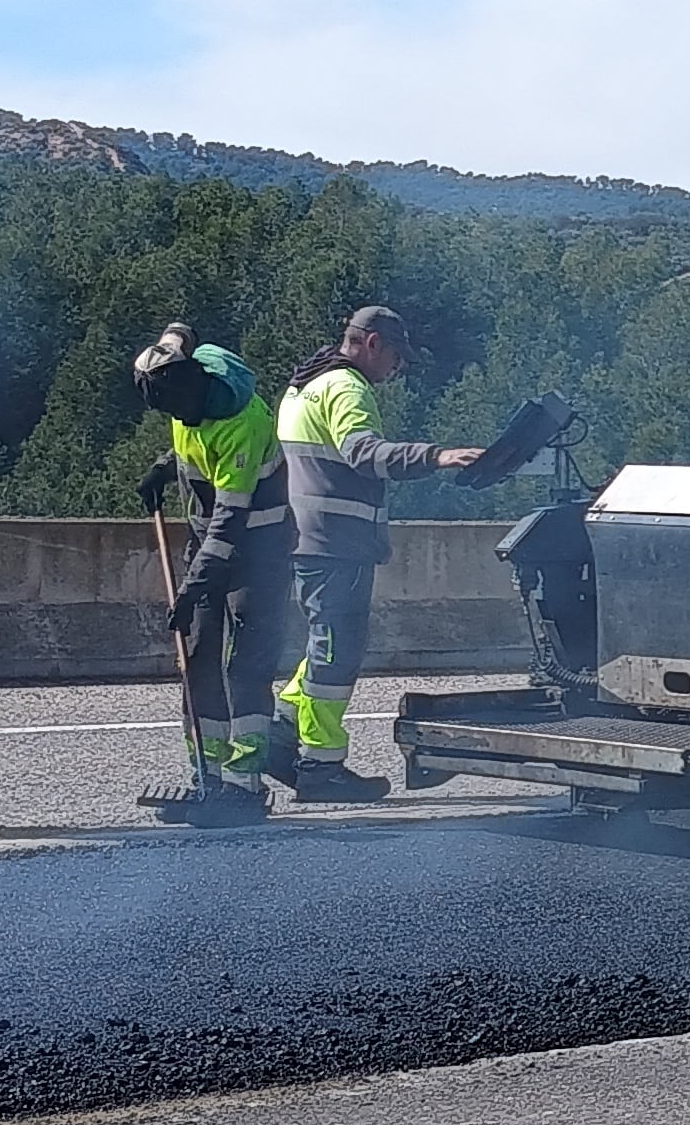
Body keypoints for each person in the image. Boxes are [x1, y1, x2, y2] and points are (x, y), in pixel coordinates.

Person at [269, 304, 487, 801]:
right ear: (371, 344)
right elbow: (365, 454)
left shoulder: (305, 383)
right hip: (336, 543)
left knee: (322, 644)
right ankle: (322, 768)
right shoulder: (347, 389)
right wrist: (436, 456)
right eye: (395, 355)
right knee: (336, 655)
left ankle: (281, 733)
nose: (398, 367)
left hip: (307, 539)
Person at [133, 324, 286, 822]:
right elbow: (178, 331)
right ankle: (208, 774)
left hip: (257, 546)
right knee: (197, 654)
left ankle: (244, 783)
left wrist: (193, 588)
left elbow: (229, 521)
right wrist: (164, 465)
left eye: (174, 408)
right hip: (208, 541)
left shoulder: (242, 422)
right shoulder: (180, 376)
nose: (173, 417)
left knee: (244, 662)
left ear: (192, 389)